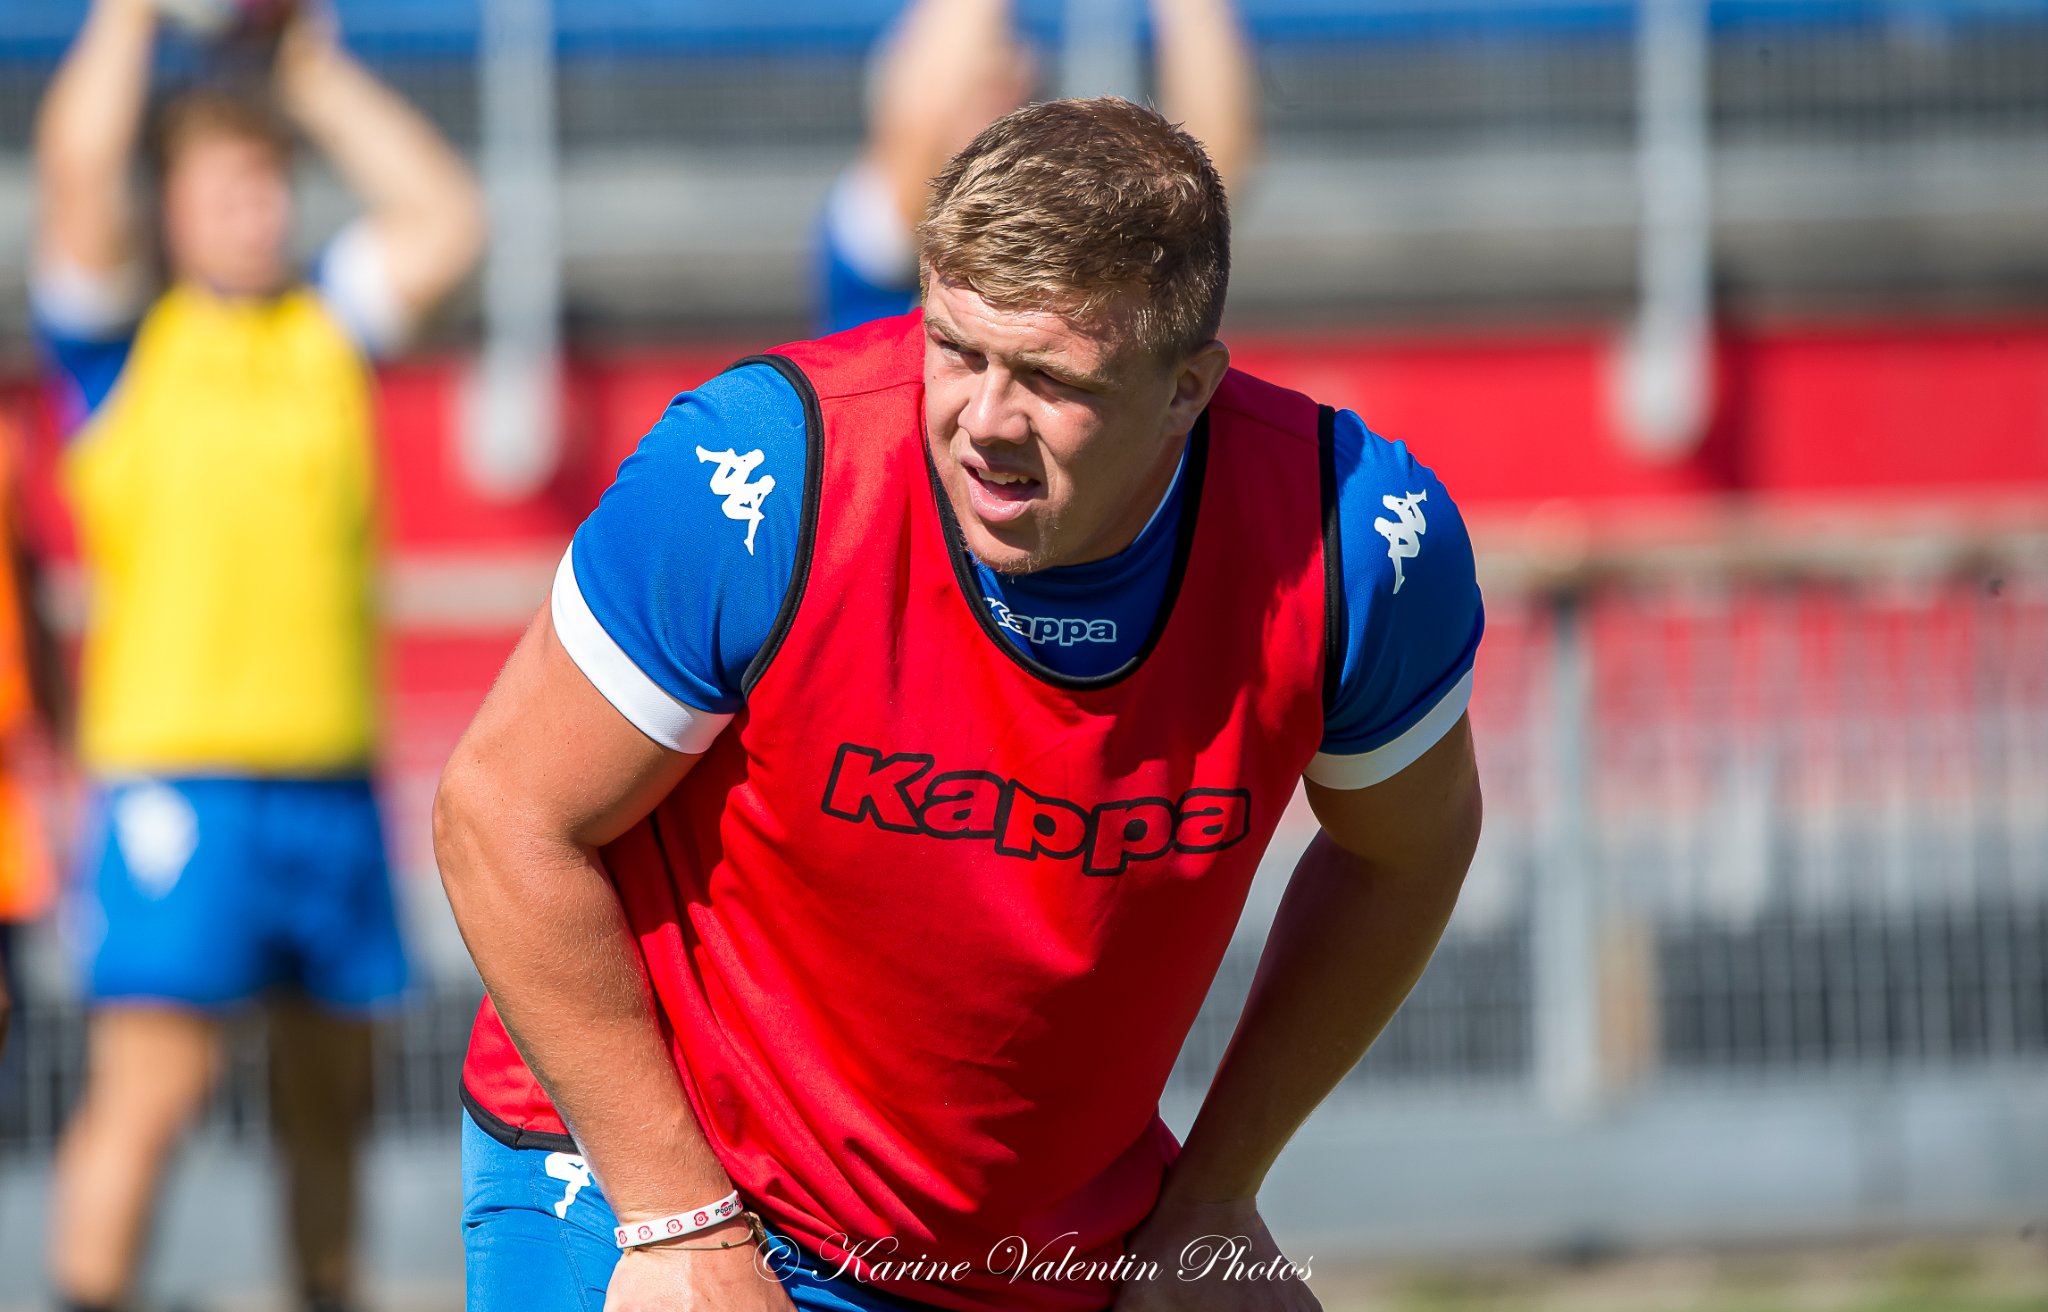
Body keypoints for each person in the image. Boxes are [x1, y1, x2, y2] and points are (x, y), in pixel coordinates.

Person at [441, 97, 1482, 1312]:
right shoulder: (765, 475)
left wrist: (1213, 1194)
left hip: (1027, 1242)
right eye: (957, 348)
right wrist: (677, 1223)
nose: (983, 420)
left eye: (1048, 377)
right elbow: (499, 815)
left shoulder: (1350, 543)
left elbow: (1406, 850)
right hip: (663, 1175)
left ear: (1189, 388)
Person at [31, 2, 484, 1309]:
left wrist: (307, 74)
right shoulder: (123, 353)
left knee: (330, 1106)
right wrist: (132, 18)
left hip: (331, 787)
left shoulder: (325, 334)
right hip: (184, 784)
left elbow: (447, 221)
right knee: (154, 1085)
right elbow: (74, 165)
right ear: (169, 208)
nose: (254, 211)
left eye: (268, 185)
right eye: (226, 187)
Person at [817, 0, 1257, 334]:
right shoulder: (888, 216)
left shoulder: (1062, 217)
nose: (1009, 91)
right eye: (985, 87)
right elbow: (919, 129)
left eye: (1017, 84)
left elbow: (1205, 171)